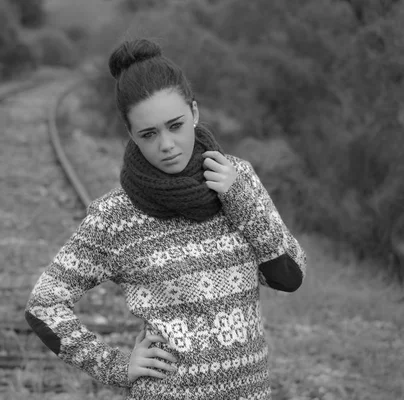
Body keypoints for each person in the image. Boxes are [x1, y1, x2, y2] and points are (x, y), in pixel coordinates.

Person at [25, 38, 306, 400]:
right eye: (149, 134)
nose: (167, 145)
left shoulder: (238, 180)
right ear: (131, 135)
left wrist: (239, 200)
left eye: (175, 125)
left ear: (194, 112)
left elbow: (289, 275)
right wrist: (115, 365)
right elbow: (44, 304)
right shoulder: (115, 217)